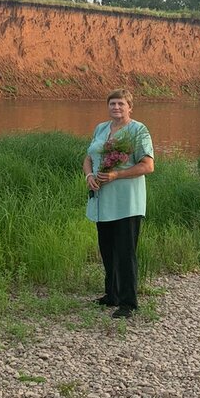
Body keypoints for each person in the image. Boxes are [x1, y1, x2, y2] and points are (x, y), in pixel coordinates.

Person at [83, 89, 154, 318]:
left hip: (126, 203)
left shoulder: (138, 130)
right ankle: (111, 294)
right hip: (102, 202)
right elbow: (88, 157)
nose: (116, 107)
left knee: (125, 252)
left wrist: (116, 175)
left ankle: (128, 303)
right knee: (107, 250)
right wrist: (89, 175)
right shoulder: (101, 128)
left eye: (121, 104)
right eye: (112, 103)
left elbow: (148, 166)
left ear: (129, 107)